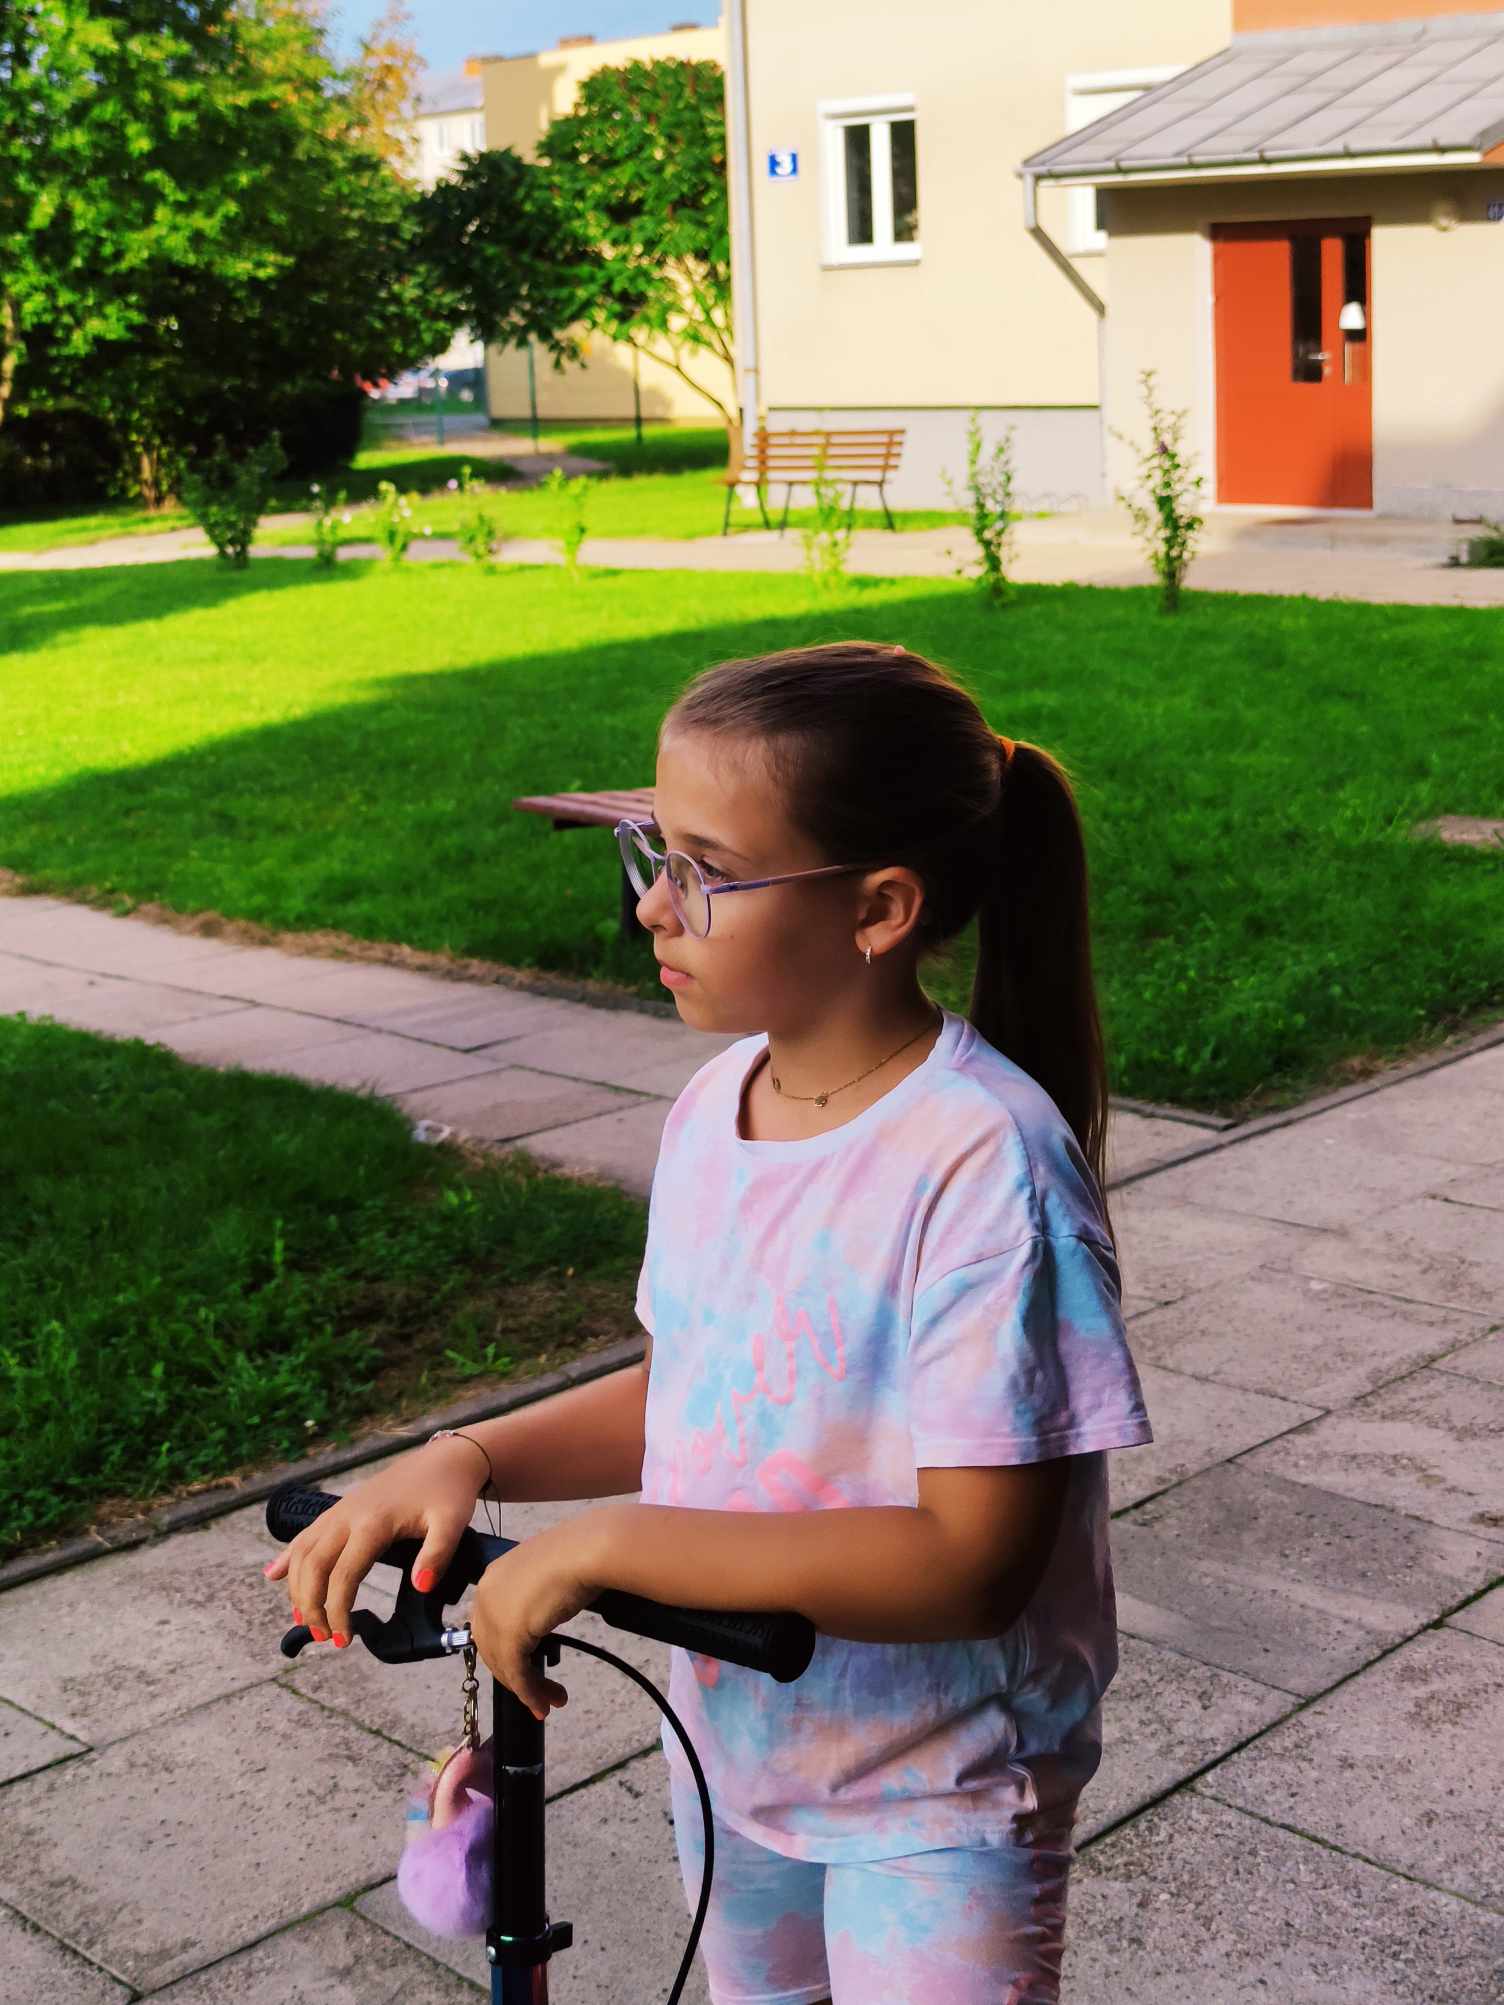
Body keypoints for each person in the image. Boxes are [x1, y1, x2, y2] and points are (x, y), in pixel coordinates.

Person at [266, 639, 1153, 2005]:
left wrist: (607, 1541)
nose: (651, 908)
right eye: (653, 852)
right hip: (739, 1747)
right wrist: (471, 1456)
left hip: (938, 1791)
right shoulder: (718, 1107)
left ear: (879, 908)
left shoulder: (984, 1167)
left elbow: (971, 1561)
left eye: (704, 872)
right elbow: (694, 1385)